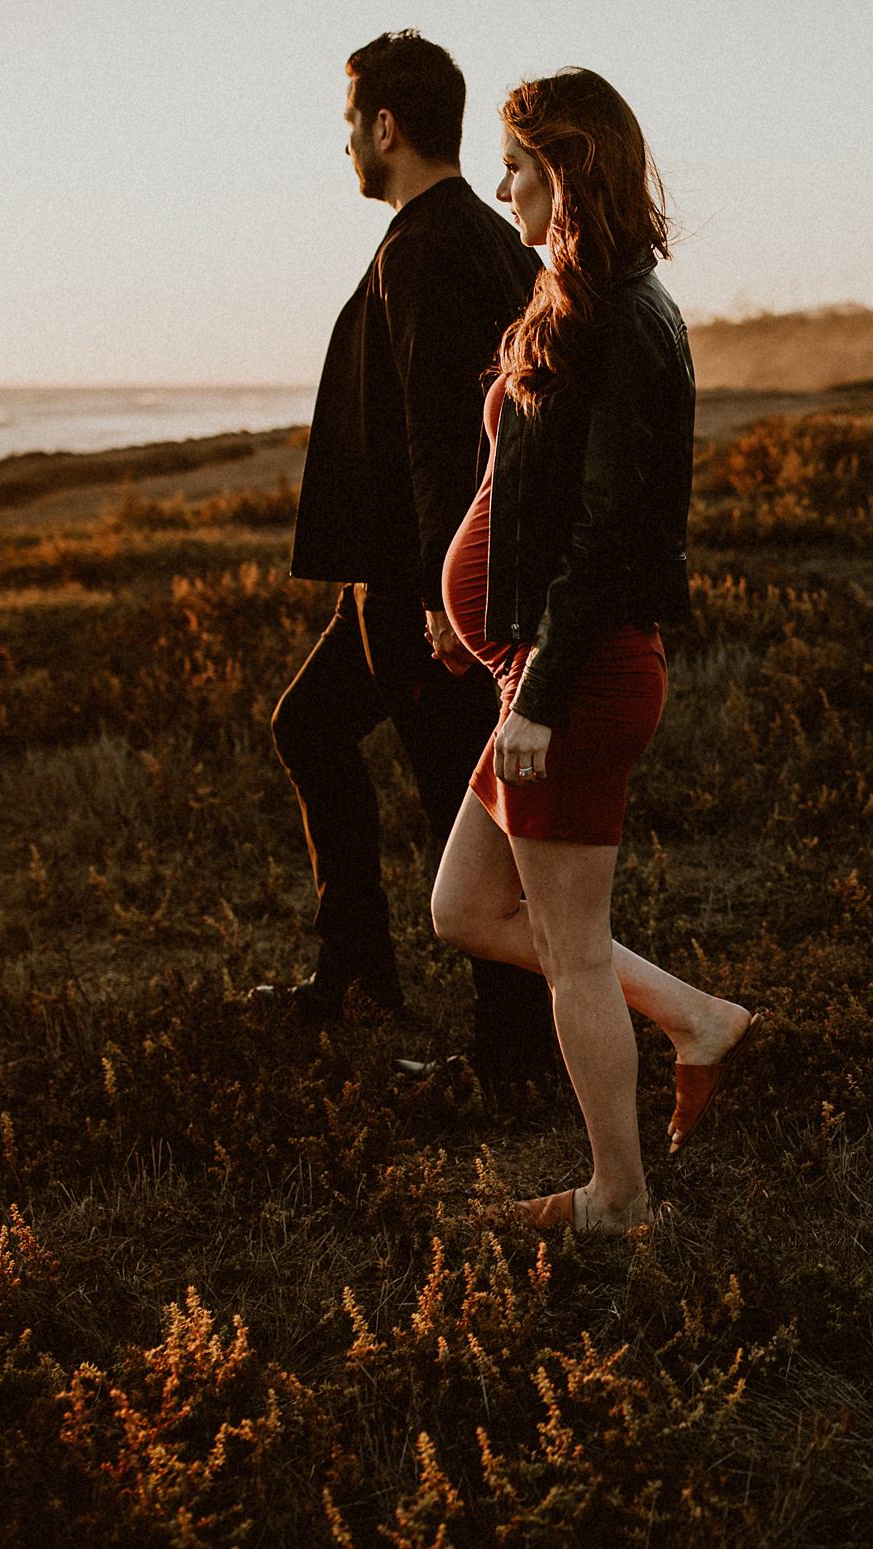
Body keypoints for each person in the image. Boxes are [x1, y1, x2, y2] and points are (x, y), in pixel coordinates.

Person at [430, 68, 752, 1236]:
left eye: (516, 166)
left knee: (569, 954)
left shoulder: (624, 318)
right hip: (533, 665)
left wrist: (538, 695)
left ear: (566, 173)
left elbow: (612, 533)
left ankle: (617, 1198)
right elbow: (528, 488)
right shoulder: (574, 301)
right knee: (467, 906)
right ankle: (698, 1018)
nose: (500, 186)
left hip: (573, 676)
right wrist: (466, 604)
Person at [255, 30, 559, 1088]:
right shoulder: (479, 237)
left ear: (385, 126)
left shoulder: (429, 247)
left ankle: (510, 1056)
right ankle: (355, 967)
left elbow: (444, 432)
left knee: (455, 804)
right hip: (405, 577)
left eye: (350, 123)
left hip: (424, 586)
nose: (344, 143)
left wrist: (441, 594)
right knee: (308, 727)